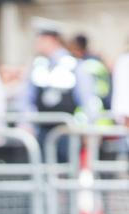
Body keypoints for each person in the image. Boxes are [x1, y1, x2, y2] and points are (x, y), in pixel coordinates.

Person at [21, 18, 96, 158]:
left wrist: (86, 126)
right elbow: (26, 97)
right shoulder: (37, 65)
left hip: (67, 131)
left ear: (52, 39)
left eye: (41, 38)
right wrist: (26, 123)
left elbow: (87, 99)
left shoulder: (73, 65)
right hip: (41, 130)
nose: (37, 43)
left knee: (67, 171)